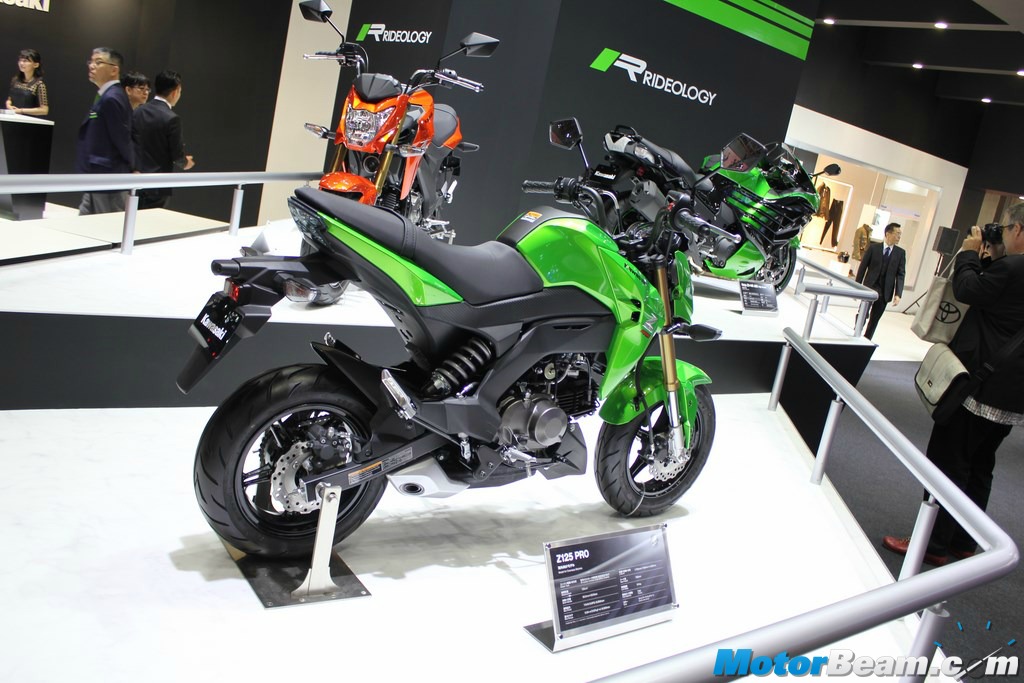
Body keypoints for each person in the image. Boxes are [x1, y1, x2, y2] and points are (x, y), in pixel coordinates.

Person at [883, 204, 1024, 566]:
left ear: (1019, 230)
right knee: (980, 465)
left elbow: (967, 288)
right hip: (1010, 394)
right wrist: (991, 257)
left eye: (1006, 228)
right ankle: (964, 541)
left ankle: (932, 543)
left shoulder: (1013, 268)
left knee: (949, 463)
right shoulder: (1010, 269)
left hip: (979, 387)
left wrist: (968, 254)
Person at [77, 47, 133, 215]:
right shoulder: (107, 95)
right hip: (97, 174)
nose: (92, 66)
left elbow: (122, 138)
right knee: (84, 221)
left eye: (98, 62)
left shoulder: (112, 98)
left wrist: (133, 166)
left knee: (108, 225)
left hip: (108, 176)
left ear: (114, 70)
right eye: (91, 61)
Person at [131, 70, 195, 209]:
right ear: (175, 92)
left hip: (134, 181)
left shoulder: (138, 111)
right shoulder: (172, 118)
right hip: (157, 185)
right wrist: (186, 163)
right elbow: (177, 156)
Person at [855, 223, 905, 339]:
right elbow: (863, 267)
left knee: (875, 319)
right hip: (870, 287)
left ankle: (867, 339)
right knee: (862, 313)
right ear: (888, 234)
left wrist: (898, 294)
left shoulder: (900, 253)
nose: (899, 237)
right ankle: (856, 332)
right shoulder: (873, 248)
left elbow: (901, 274)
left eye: (900, 234)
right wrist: (857, 286)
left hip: (885, 291)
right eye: (897, 234)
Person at [5, 48, 49, 117]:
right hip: (12, 117)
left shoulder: (39, 84)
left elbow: (44, 110)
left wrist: (21, 111)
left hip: (28, 120)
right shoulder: (15, 80)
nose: (21, 63)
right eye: (20, 60)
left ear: (36, 65)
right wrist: (8, 105)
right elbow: (10, 98)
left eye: (25, 61)